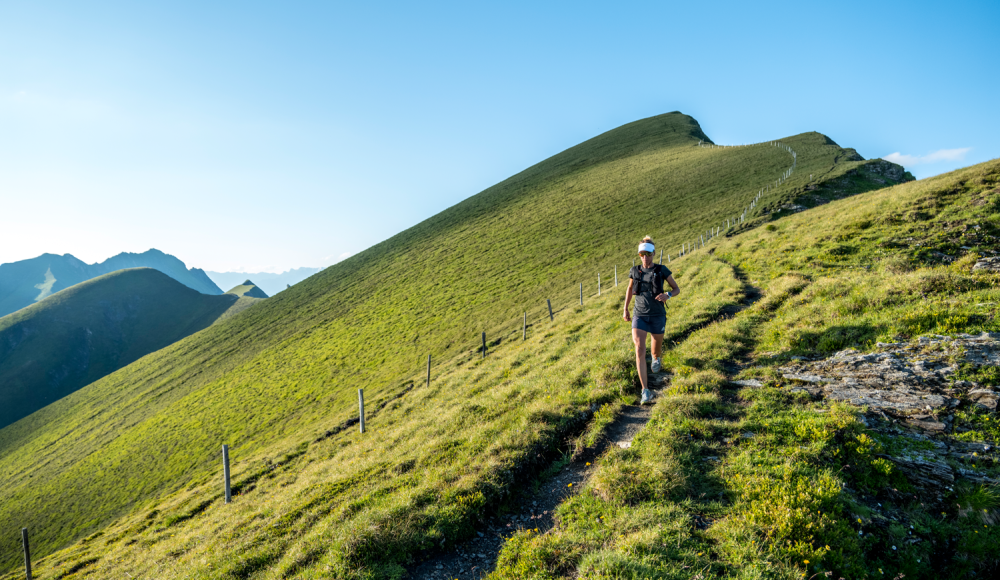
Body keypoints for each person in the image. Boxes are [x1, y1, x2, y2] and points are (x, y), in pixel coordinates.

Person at [622, 236, 680, 404]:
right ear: (639, 255)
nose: (645, 257)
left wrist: (667, 295)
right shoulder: (634, 271)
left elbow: (676, 289)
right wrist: (625, 308)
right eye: (642, 254)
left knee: (655, 350)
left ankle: (656, 358)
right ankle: (645, 391)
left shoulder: (662, 270)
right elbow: (630, 288)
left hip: (657, 316)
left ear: (654, 253)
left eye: (648, 253)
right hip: (639, 315)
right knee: (639, 349)